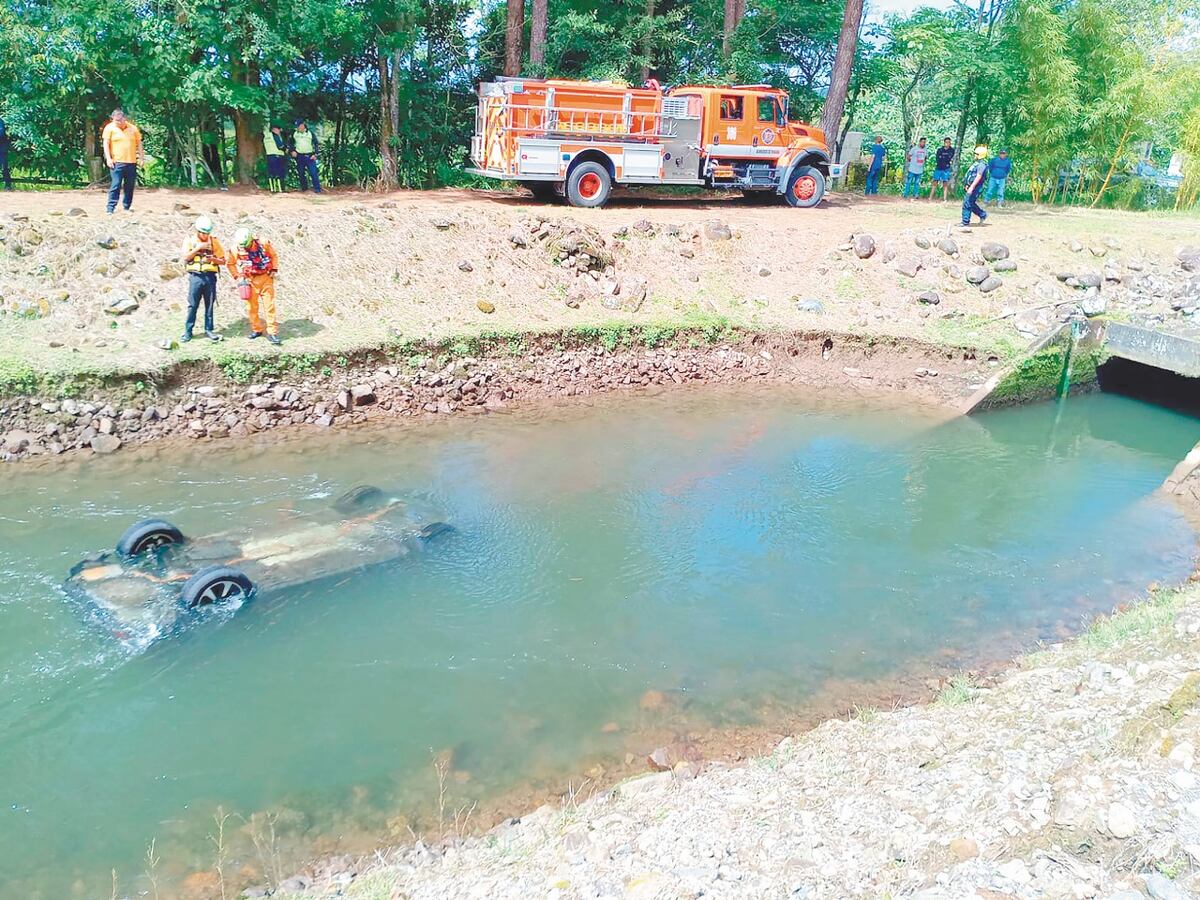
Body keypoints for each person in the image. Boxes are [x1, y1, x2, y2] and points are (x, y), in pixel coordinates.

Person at [227, 227, 281, 344]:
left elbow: (274, 256)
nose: (244, 247)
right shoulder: (235, 249)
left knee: (269, 306)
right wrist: (237, 275)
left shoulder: (264, 243)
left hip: (266, 278)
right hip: (249, 280)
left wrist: (274, 269)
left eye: (246, 245)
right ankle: (257, 329)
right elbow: (230, 263)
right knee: (252, 308)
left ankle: (272, 332)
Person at [180, 216, 226, 343]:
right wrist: (198, 248)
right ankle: (188, 331)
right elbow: (186, 257)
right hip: (195, 277)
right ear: (198, 231)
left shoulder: (214, 242)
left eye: (208, 233)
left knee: (209, 305)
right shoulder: (189, 240)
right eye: (204, 233)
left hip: (210, 277)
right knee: (192, 305)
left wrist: (212, 259)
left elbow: (223, 260)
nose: (206, 235)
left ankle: (209, 330)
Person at [102, 109, 143, 214]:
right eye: (116, 120)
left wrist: (141, 158)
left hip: (131, 161)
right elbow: (106, 144)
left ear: (125, 118)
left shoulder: (133, 128)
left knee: (129, 186)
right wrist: (108, 158)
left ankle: (126, 207)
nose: (118, 122)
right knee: (116, 184)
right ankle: (110, 208)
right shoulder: (109, 128)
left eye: (120, 120)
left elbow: (139, 143)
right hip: (116, 162)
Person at [290, 119, 322, 193]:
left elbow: (316, 144)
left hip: (309, 156)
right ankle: (304, 189)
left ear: (303, 125)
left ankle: (317, 189)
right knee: (301, 173)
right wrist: (292, 151)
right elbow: (290, 143)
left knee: (313, 172)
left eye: (299, 125)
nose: (298, 127)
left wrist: (315, 154)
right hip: (300, 156)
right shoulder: (294, 134)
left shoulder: (310, 133)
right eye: (297, 126)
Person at [961, 145, 990, 227]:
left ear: (980, 155)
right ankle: (982, 214)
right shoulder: (977, 163)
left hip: (976, 187)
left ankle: (965, 222)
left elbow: (978, 176)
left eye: (976, 154)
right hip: (971, 186)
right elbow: (971, 175)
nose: (975, 155)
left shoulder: (982, 165)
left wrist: (971, 187)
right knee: (970, 203)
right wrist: (967, 184)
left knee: (967, 203)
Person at [264, 124, 288, 192]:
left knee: (271, 173)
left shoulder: (266, 136)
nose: (279, 131)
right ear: (275, 129)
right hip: (278, 156)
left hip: (269, 156)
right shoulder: (275, 136)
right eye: (278, 130)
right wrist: (286, 150)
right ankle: (280, 189)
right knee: (279, 173)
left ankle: (272, 188)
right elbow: (280, 146)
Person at [0, 115, 12, 190]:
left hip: (2, 148)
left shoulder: (0, 121)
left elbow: (1, 133)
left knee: (4, 167)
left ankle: (8, 185)